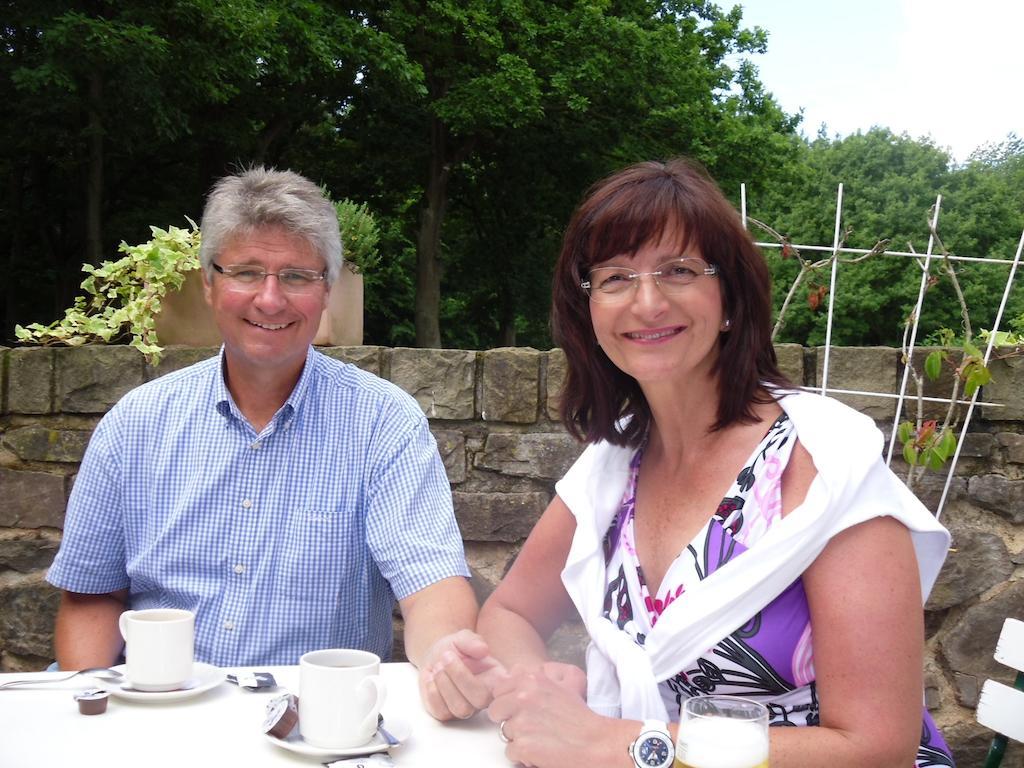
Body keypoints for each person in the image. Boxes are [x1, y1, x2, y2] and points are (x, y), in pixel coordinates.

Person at [475, 158, 956, 766]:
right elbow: (511, 611)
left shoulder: (823, 464)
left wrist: (625, 743)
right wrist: (537, 684)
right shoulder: (614, 464)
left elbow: (876, 747)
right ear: (589, 308)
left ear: (728, 299)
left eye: (678, 270)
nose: (647, 302)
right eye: (616, 277)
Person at [47, 166, 497, 721]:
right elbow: (91, 596)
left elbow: (430, 583)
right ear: (209, 283)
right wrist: (94, 719)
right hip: (158, 717)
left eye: (297, 276)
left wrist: (448, 656)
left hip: (319, 723)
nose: (269, 299)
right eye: (246, 271)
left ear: (326, 290)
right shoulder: (134, 426)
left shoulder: (383, 423)